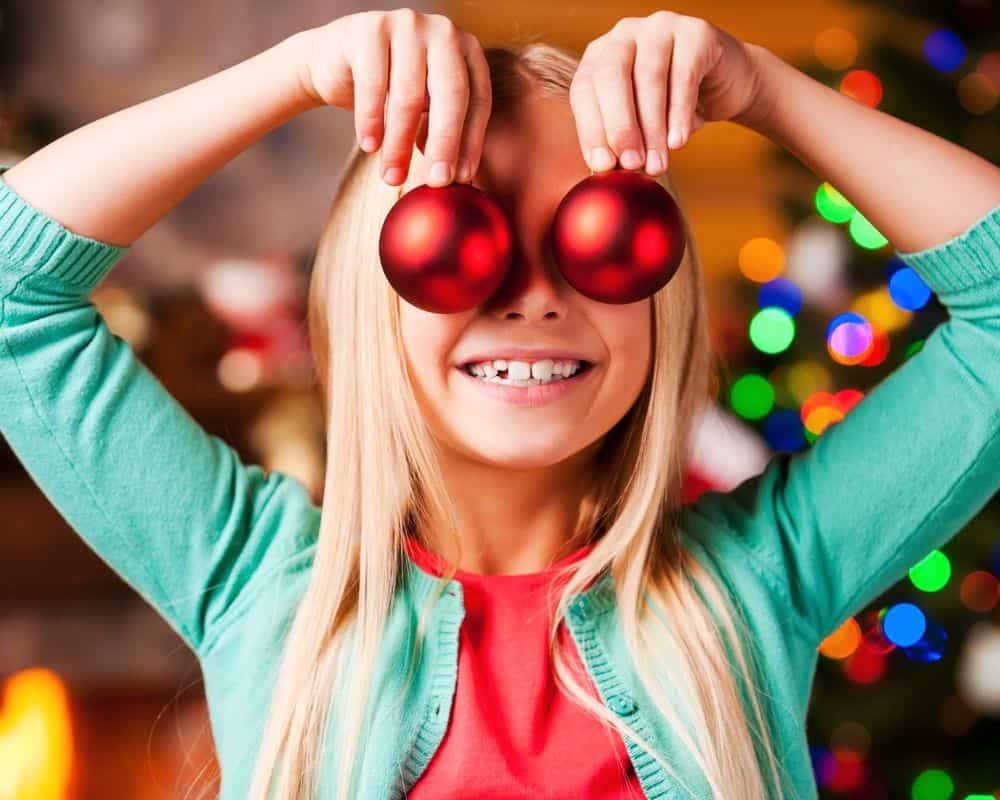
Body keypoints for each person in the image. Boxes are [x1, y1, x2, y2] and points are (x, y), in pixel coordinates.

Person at [1, 8, 997, 800]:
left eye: (601, 237)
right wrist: (296, 71)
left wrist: (762, 89)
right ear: (371, 295)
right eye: (456, 237)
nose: (533, 294)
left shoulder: (749, 583)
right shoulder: (263, 586)